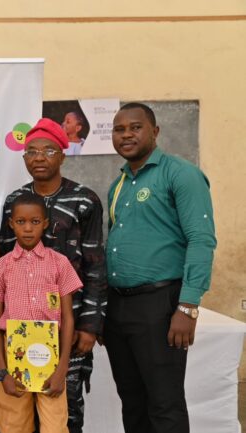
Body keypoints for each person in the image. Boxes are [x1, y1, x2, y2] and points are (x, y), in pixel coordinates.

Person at [104, 102, 216, 433]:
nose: (126, 135)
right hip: (118, 305)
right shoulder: (118, 185)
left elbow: (201, 240)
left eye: (135, 127)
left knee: (164, 403)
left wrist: (188, 306)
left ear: (155, 132)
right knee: (132, 401)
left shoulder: (181, 174)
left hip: (160, 304)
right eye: (119, 129)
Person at [0, 117, 106, 433]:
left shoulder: (84, 200)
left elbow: (96, 265)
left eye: (48, 151)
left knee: (65, 412)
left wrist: (89, 325)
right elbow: (4, 263)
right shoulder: (14, 202)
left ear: (62, 155)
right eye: (31, 151)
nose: (39, 158)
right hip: (20, 329)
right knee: (22, 416)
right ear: (24, 158)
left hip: (68, 326)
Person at [0, 194, 82, 433]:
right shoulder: (0, 267)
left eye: (35, 222)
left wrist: (62, 370)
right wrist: (2, 373)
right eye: (21, 222)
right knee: (13, 425)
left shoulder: (59, 263)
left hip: (50, 357)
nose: (28, 228)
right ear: (11, 224)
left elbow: (68, 318)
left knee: (55, 426)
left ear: (45, 223)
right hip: (11, 357)